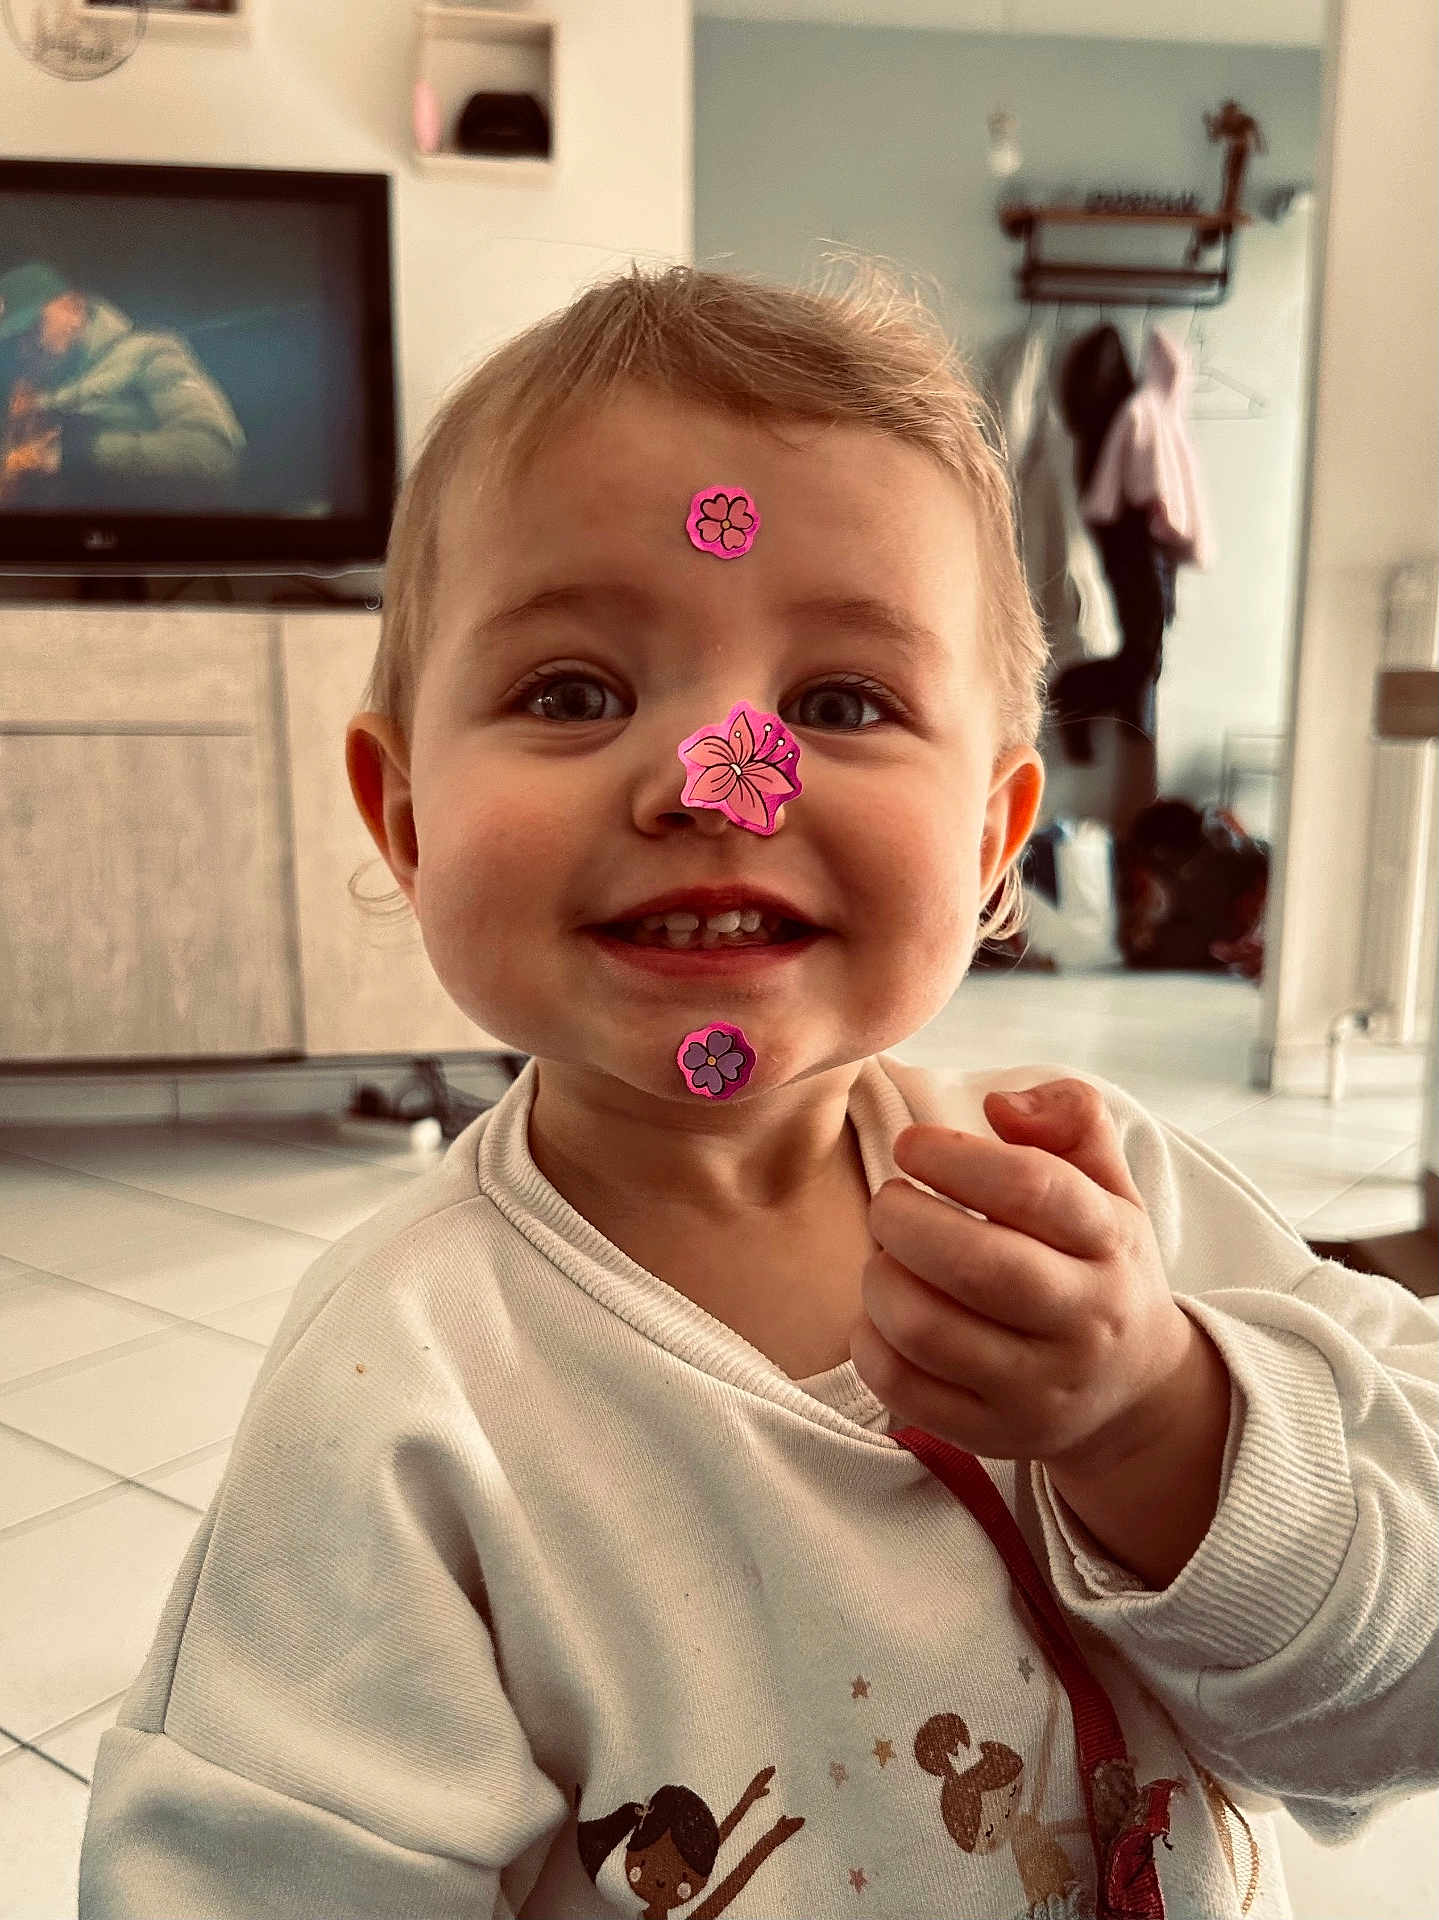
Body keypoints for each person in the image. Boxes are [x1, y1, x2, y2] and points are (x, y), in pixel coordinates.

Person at [76, 260, 1436, 1920]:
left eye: (837, 703)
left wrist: (1160, 1423)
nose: (720, 777)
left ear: (992, 837)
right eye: (572, 693)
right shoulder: (398, 1394)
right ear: (407, 813)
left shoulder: (1110, 1205)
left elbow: (1394, 1701)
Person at [0, 260, 245, 508]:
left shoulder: (149, 352)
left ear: (73, 307)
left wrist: (69, 454)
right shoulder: (33, 392)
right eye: (15, 340)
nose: (24, 349)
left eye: (33, 327)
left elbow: (213, 456)